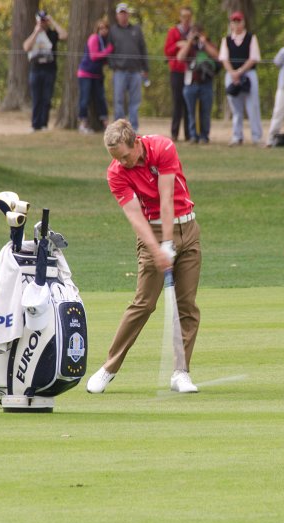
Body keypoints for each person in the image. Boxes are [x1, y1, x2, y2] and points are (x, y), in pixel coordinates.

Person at [87, 119, 201, 395]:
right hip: (152, 229)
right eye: (117, 159)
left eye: (126, 156)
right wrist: (158, 247)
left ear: (136, 142)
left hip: (187, 227)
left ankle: (181, 373)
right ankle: (109, 368)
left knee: (187, 307)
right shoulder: (116, 173)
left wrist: (169, 243)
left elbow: (166, 198)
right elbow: (135, 217)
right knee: (143, 304)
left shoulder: (163, 148)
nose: (123, 163)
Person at [219, 10, 262, 146]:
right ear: (231, 24)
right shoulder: (226, 40)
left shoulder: (251, 38)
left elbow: (253, 58)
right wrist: (233, 73)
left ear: (243, 23)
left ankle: (256, 136)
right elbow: (224, 58)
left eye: (239, 22)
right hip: (232, 75)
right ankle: (237, 136)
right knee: (235, 108)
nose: (237, 25)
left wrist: (240, 71)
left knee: (252, 106)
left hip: (248, 74)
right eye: (234, 22)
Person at [23, 9, 66, 133]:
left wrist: (52, 21)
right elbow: (26, 47)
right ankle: (34, 124)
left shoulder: (52, 34)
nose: (43, 22)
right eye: (41, 20)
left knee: (47, 98)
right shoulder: (33, 33)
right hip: (35, 70)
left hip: (50, 70)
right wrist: (36, 32)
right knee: (36, 98)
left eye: (44, 20)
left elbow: (64, 35)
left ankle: (44, 124)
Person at [109, 3, 149, 131]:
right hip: (119, 71)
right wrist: (113, 65)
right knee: (119, 101)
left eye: (125, 13)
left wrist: (145, 68)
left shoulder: (136, 29)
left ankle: (133, 128)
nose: (123, 15)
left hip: (136, 71)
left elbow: (143, 49)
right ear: (117, 15)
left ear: (128, 14)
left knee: (135, 102)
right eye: (121, 13)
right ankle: (119, 129)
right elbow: (109, 51)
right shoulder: (113, 31)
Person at [177, 23, 219, 144]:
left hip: (206, 83)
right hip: (191, 83)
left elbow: (217, 55)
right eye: (193, 33)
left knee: (205, 112)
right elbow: (180, 58)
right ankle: (193, 136)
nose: (196, 36)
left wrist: (204, 42)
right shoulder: (188, 46)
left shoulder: (208, 44)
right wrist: (189, 42)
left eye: (198, 33)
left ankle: (204, 136)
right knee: (191, 112)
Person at [77, 17, 114, 134]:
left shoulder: (105, 41)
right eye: (101, 28)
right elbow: (94, 56)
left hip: (97, 75)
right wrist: (109, 50)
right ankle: (83, 124)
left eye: (105, 28)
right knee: (85, 99)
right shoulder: (94, 38)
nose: (103, 30)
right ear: (97, 29)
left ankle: (106, 124)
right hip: (86, 73)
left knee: (100, 99)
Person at [164, 6, 193, 142]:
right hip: (176, 71)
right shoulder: (173, 32)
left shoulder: (194, 33)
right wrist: (178, 45)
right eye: (183, 16)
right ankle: (174, 133)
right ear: (180, 18)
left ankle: (189, 133)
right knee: (177, 102)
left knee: (189, 103)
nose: (186, 20)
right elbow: (167, 51)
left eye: (188, 17)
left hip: (191, 72)